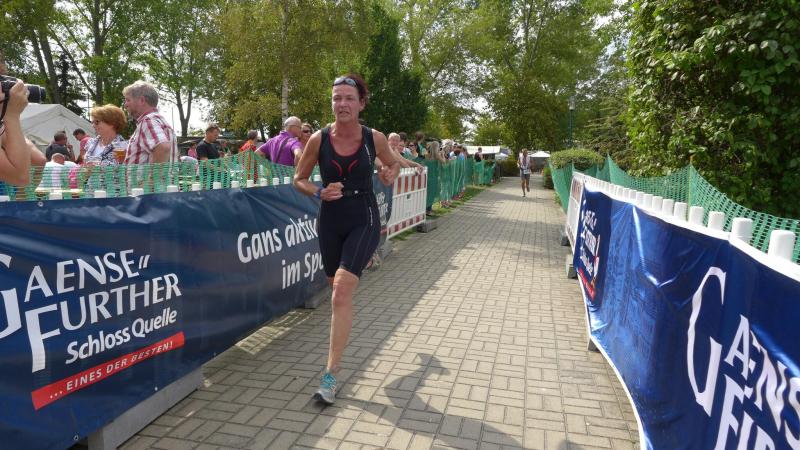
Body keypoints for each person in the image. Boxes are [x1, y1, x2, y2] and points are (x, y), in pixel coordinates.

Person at [293, 74, 420, 405]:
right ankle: (362, 262)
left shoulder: (373, 138)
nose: (342, 104)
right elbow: (299, 179)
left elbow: (392, 167)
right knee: (336, 288)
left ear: (361, 103)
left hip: (364, 216)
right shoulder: (319, 139)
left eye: (349, 98)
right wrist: (319, 191)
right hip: (330, 220)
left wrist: (389, 173)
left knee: (340, 291)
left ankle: (330, 375)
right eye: (337, 98)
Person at [122, 80, 179, 164]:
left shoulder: (148, 121)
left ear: (142, 100)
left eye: (128, 100)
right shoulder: (160, 121)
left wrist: (152, 173)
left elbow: (163, 147)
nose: (125, 104)